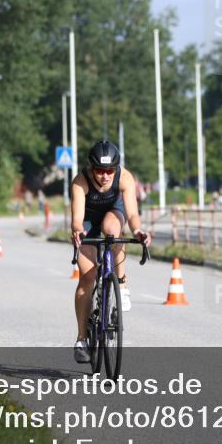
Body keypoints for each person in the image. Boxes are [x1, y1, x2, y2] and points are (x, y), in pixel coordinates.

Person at [70, 139, 151, 363]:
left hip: (113, 214)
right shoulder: (80, 182)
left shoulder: (124, 177)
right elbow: (77, 219)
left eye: (109, 171)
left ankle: (121, 282)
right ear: (91, 168)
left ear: (116, 168)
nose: (105, 176)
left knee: (112, 229)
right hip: (87, 222)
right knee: (87, 278)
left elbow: (133, 214)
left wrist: (138, 231)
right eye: (99, 170)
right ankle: (81, 338)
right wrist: (78, 232)